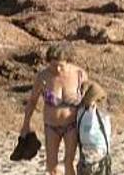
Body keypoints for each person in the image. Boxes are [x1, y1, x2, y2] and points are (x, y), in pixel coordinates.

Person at [21, 44, 88, 175]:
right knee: (51, 164)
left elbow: (91, 96)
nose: (57, 69)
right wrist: (26, 124)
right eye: (53, 65)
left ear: (67, 61)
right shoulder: (43, 77)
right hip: (51, 126)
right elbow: (32, 101)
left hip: (72, 125)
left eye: (60, 66)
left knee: (69, 162)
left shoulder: (80, 75)